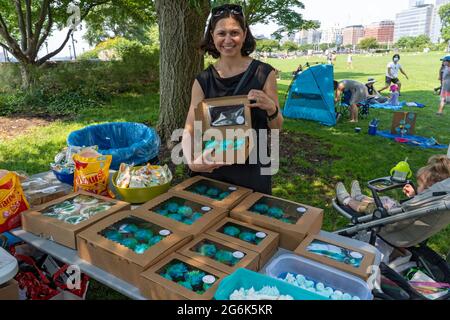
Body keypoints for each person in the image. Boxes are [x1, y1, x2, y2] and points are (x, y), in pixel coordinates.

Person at [181, 3, 283, 194]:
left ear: (244, 34)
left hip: (252, 170)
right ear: (212, 36)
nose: (228, 39)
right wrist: (192, 162)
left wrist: (271, 108)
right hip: (212, 169)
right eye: (221, 33)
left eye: (234, 32)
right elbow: (189, 129)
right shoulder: (203, 80)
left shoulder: (263, 73)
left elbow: (277, 127)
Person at [336, 155, 450, 215]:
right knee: (385, 200)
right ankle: (359, 197)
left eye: (419, 185)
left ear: (428, 189)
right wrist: (415, 194)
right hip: (397, 211)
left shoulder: (424, 206)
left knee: (371, 207)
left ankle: (347, 200)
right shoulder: (437, 200)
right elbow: (422, 199)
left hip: (392, 218)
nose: (417, 186)